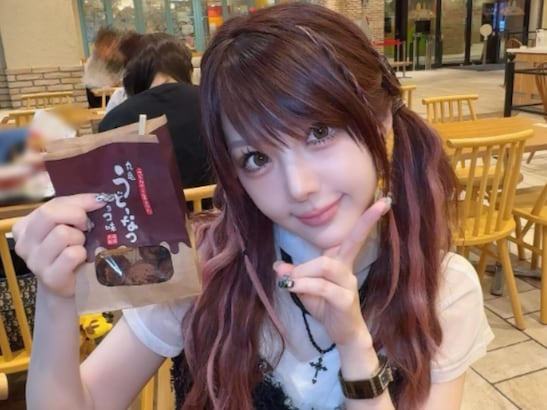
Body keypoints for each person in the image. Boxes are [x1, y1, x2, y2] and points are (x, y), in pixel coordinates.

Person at [14, 3, 493, 410]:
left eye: (319, 133)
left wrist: (354, 345)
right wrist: (56, 298)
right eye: (257, 158)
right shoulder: (204, 269)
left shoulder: (443, 291)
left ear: (382, 118)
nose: (299, 187)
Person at [98, 32, 214, 189]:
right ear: (186, 67)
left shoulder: (115, 120)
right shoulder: (214, 102)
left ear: (134, 73)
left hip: (148, 205)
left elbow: (108, 184)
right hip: (218, 203)